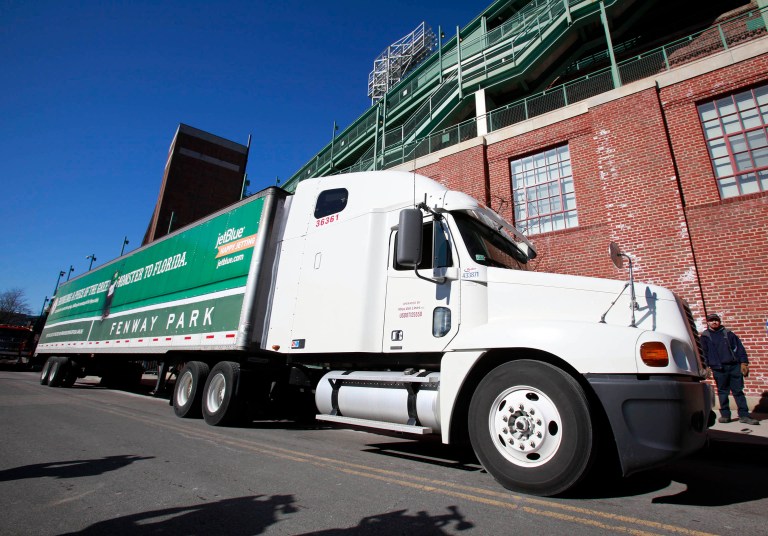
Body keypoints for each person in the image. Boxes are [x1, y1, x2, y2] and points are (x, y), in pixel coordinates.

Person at [700, 313, 759, 425]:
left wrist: (744, 363)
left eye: (716, 320)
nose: (714, 322)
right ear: (708, 322)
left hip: (734, 366)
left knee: (738, 391)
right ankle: (725, 415)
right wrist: (705, 366)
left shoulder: (728, 334)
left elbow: (740, 348)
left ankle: (744, 415)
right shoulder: (705, 337)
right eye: (711, 320)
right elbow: (704, 352)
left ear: (719, 321)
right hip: (718, 368)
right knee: (723, 392)